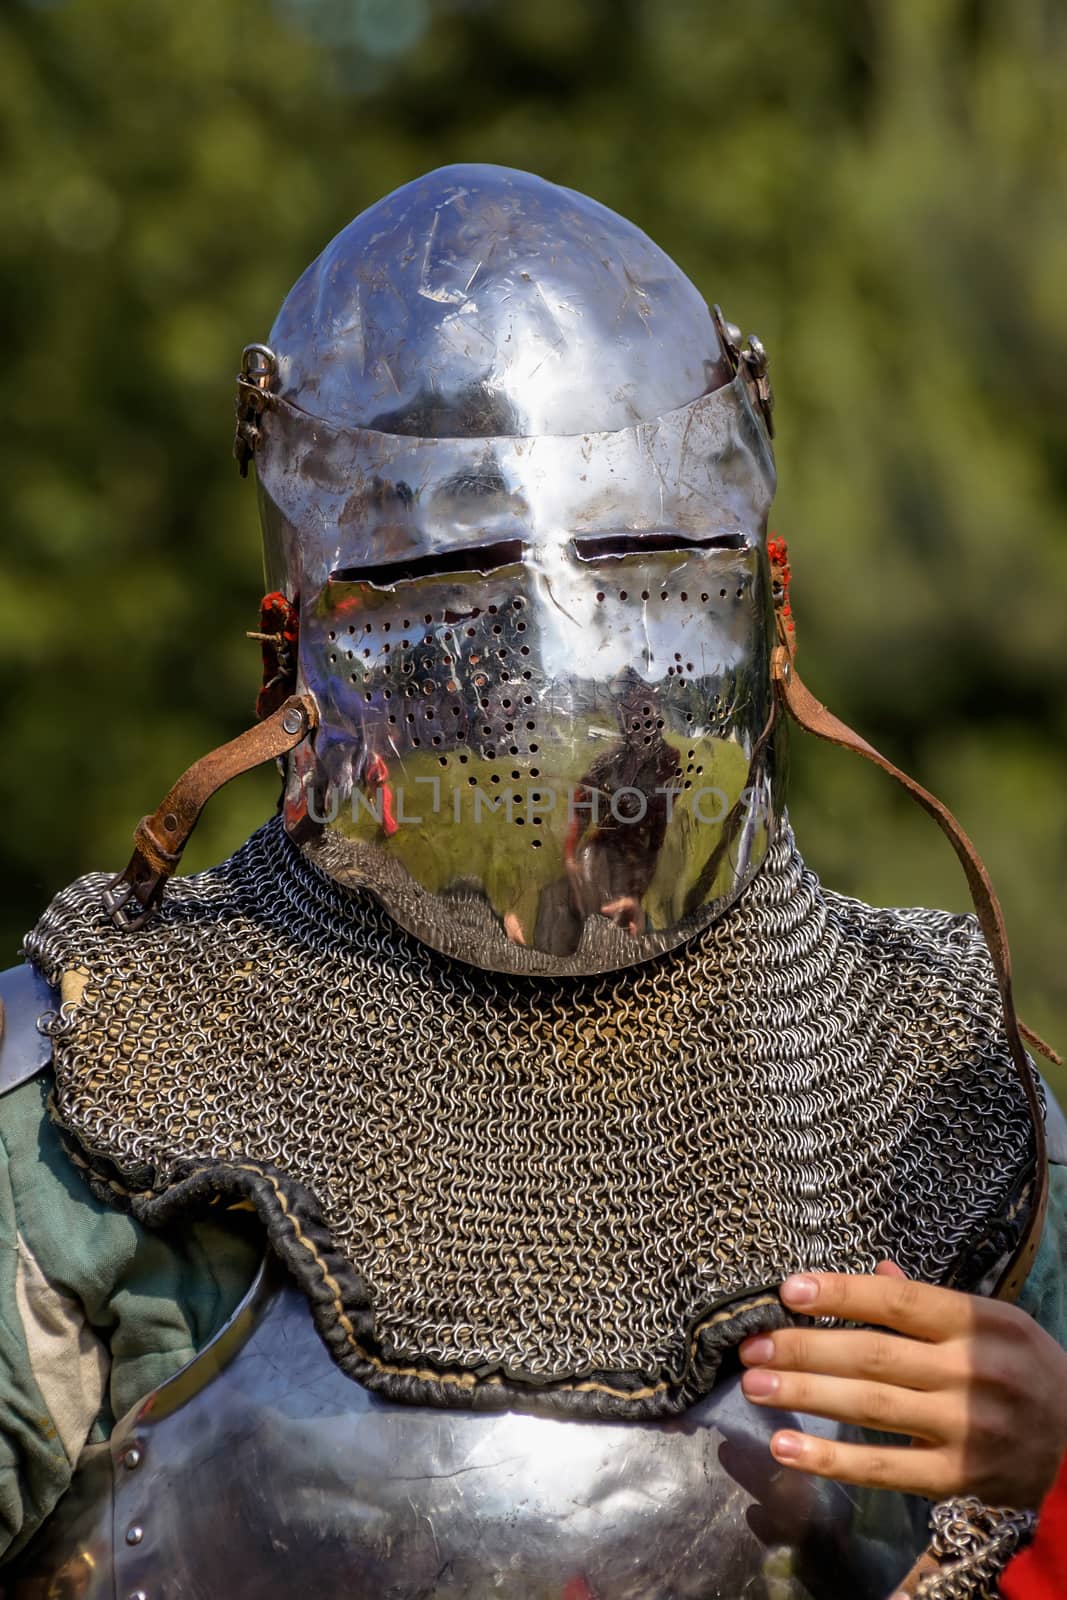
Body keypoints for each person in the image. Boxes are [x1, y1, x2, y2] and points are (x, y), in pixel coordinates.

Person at [0, 164, 1063, 1599]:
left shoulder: (942, 1092)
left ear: (767, 606)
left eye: (650, 587)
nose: (568, 676)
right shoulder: (106, 1081)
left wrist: (1061, 1454)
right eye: (460, 606)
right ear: (295, 648)